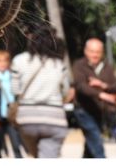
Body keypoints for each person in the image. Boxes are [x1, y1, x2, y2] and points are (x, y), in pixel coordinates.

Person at [11, 24, 72, 159]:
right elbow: (66, 92)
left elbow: (15, 90)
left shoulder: (19, 60)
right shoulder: (59, 64)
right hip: (54, 119)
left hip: (27, 120)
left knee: (37, 156)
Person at [71, 37, 116, 158]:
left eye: (98, 52)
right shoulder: (79, 65)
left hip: (99, 112)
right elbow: (80, 86)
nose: (95, 55)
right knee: (96, 141)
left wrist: (103, 85)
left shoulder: (107, 67)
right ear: (86, 51)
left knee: (90, 145)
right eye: (92, 51)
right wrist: (101, 94)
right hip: (83, 110)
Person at [0, 49, 24, 158]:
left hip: (11, 116)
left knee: (16, 145)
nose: (2, 64)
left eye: (5, 61)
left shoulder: (13, 77)